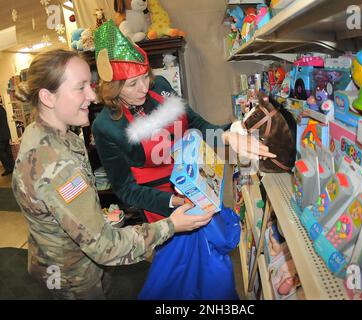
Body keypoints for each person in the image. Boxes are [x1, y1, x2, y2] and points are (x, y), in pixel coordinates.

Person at [11, 49, 214, 300]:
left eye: (90, 85)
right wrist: (172, 225)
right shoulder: (54, 164)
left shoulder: (56, 135)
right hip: (73, 276)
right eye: (80, 87)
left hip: (75, 258)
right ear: (47, 97)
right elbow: (105, 246)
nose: (93, 96)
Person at [92, 20, 275, 223]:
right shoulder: (105, 126)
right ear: (112, 87)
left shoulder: (159, 85)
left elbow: (194, 122)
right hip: (164, 207)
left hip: (199, 182)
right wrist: (174, 201)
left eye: (145, 77)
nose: (144, 88)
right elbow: (125, 188)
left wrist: (227, 134)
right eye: (133, 84)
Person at [0, 100, 14, 176]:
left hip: (1, 136)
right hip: (6, 134)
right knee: (8, 151)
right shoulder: (2, 108)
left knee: (2, 153)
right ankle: (12, 166)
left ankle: (8, 168)